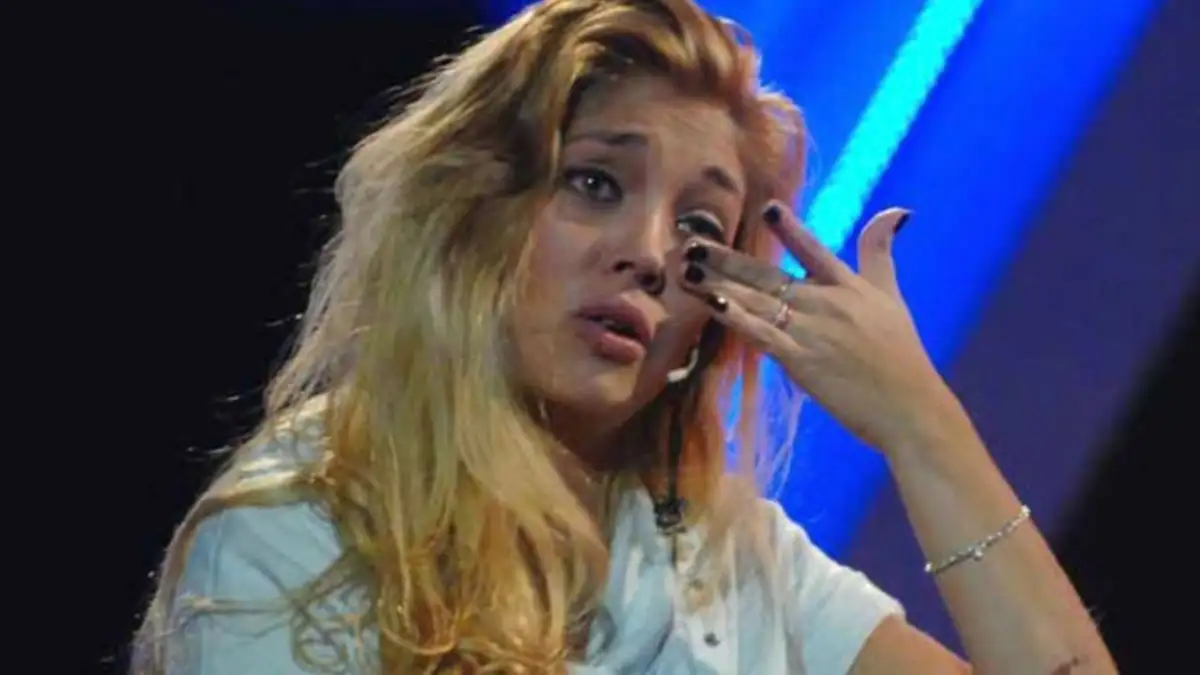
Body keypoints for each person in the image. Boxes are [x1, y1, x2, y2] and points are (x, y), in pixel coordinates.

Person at [132, 0, 1116, 673]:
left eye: (699, 228)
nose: (648, 254)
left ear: (705, 323)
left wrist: (921, 425)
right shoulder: (291, 538)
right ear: (471, 217)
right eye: (596, 182)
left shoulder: (736, 570)